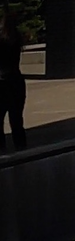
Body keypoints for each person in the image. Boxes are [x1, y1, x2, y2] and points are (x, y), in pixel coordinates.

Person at [0, 8, 27, 152]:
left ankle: (2, 148)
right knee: (16, 118)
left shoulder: (2, 40)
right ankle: (21, 146)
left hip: (3, 83)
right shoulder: (17, 38)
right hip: (16, 81)